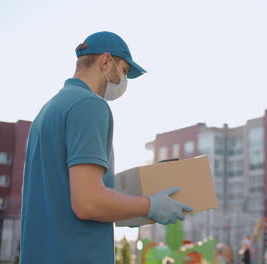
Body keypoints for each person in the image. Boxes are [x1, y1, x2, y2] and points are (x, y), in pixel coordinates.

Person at [20, 31, 193, 263]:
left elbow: (63, 194)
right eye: (123, 71)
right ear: (105, 61)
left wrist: (130, 205)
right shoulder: (89, 105)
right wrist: (151, 205)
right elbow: (88, 202)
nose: (124, 80)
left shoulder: (48, 110)